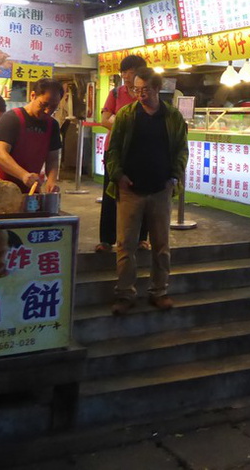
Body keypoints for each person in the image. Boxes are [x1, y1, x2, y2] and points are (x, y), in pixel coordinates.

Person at [105, 68, 188, 315]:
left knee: (161, 244)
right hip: (130, 189)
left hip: (161, 189)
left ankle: (159, 291)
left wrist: (174, 177)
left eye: (145, 90)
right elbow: (114, 149)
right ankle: (125, 293)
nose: (140, 95)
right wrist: (118, 175)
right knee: (125, 244)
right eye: (136, 90)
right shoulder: (126, 115)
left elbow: (182, 150)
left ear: (157, 89)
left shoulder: (172, 116)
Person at [96, 54, 149, 253]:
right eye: (123, 72)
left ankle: (142, 238)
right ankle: (106, 240)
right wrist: (127, 122)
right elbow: (104, 119)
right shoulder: (116, 93)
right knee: (111, 193)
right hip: (115, 150)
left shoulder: (145, 93)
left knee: (142, 193)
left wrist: (117, 120)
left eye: (131, 72)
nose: (126, 76)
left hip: (141, 151)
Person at [0, 79, 64, 194]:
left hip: (30, 187)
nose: (47, 111)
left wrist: (51, 181)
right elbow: (0, 154)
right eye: (44, 104)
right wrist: (23, 175)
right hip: (2, 187)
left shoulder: (52, 125)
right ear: (33, 95)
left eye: (53, 107)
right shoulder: (12, 118)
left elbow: (52, 158)